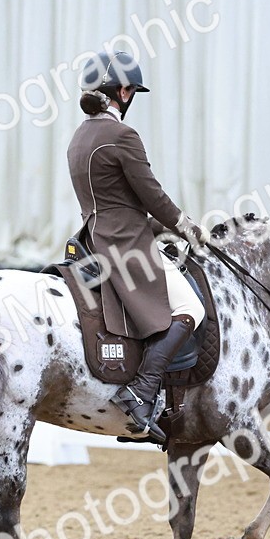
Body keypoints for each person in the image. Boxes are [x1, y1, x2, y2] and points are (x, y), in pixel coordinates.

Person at [66, 50, 209, 444]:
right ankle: (143, 391)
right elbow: (151, 195)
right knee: (190, 308)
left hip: (93, 241)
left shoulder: (79, 138)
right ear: (123, 91)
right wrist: (185, 226)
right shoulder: (122, 135)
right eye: (133, 93)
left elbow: (115, 202)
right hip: (127, 246)